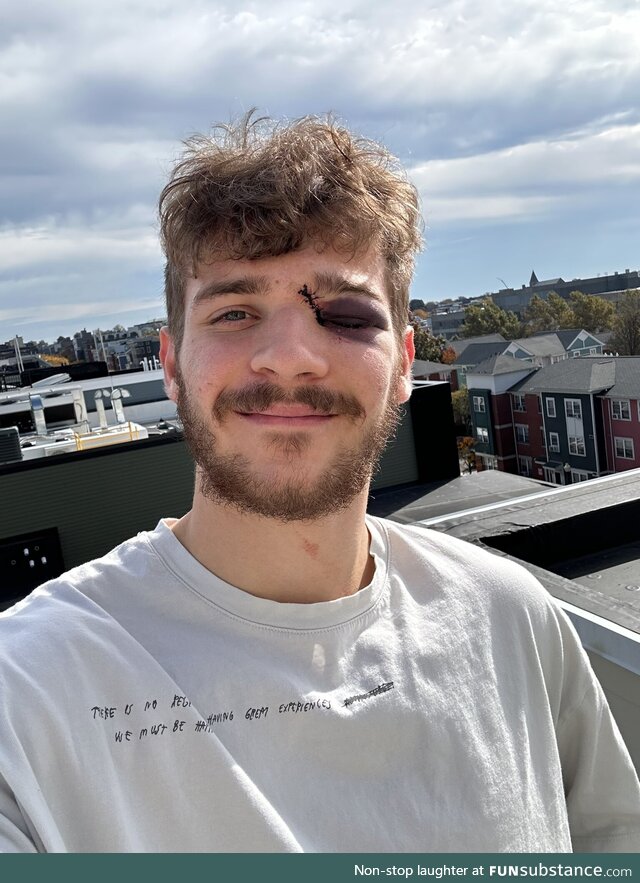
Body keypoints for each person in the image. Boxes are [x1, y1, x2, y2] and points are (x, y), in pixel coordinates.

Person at [1, 114, 639, 854]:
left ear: (406, 365)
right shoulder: (31, 695)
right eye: (235, 311)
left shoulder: (513, 620)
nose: (291, 357)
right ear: (171, 367)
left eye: (343, 314)